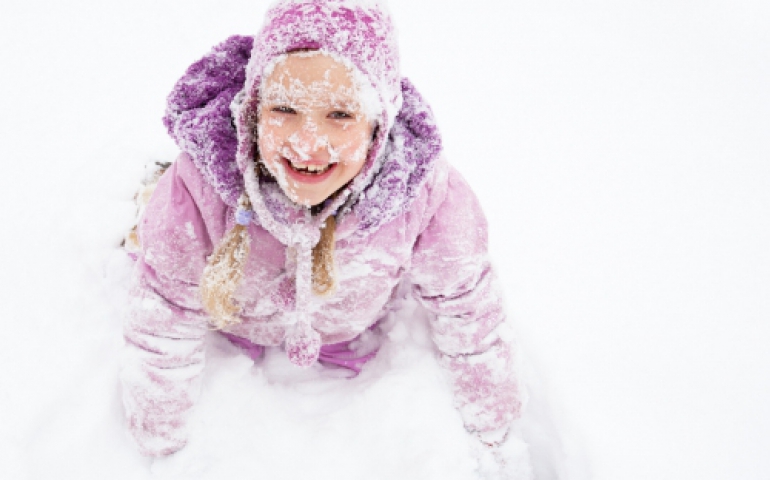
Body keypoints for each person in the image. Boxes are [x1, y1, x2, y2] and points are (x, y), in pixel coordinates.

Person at [120, 0, 527, 476]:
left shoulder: (425, 196)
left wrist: (494, 416)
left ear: (379, 124)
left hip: (344, 329)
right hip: (238, 317)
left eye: (340, 115)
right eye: (285, 109)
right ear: (253, 112)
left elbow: (467, 304)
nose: (308, 143)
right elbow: (163, 312)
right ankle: (145, 190)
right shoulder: (198, 191)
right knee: (154, 231)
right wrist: (161, 437)